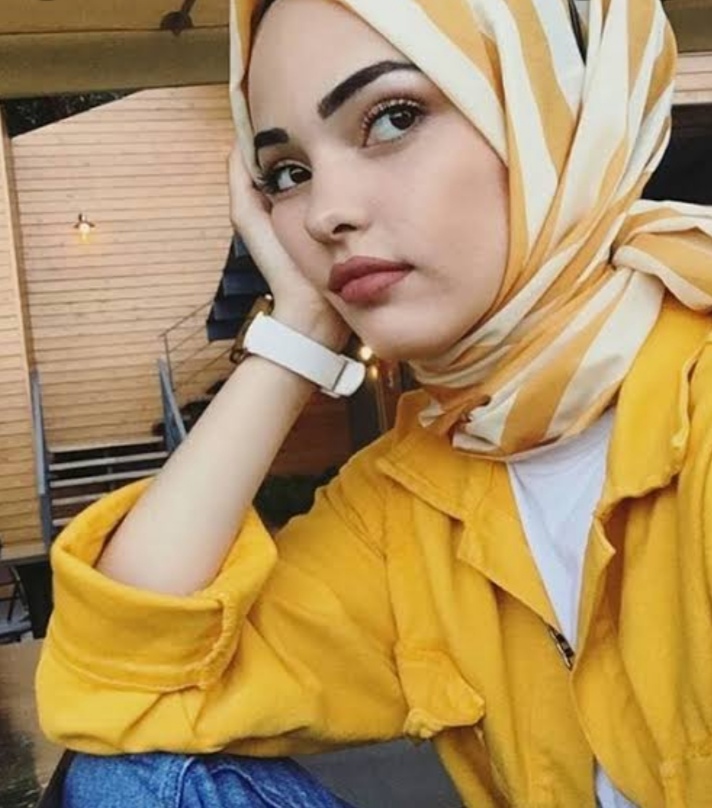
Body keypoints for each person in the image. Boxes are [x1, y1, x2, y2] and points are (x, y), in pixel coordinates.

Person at [37, 0, 712, 805]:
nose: (326, 214)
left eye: (393, 118)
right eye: (288, 174)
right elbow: (120, 687)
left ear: (556, 115)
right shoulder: (408, 496)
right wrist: (297, 333)